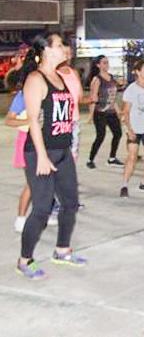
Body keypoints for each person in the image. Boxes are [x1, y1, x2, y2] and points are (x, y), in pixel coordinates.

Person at [17, 34, 84, 280]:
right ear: (45, 50)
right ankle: (24, 260)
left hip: (63, 150)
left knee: (70, 204)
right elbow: (33, 120)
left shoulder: (61, 76)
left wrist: (68, 149)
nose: (65, 49)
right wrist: (43, 157)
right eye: (59, 45)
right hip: (39, 153)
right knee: (42, 209)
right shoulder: (36, 79)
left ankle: (62, 250)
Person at [120, 60, 144, 198]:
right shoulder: (132, 89)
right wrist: (129, 130)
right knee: (132, 157)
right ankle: (124, 184)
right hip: (135, 128)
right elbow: (126, 112)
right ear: (137, 72)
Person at [86, 55, 123, 169]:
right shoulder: (97, 79)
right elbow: (93, 98)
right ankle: (90, 159)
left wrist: (118, 112)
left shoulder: (112, 78)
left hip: (111, 112)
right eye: (104, 63)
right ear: (98, 65)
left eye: (107, 62)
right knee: (100, 136)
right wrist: (91, 115)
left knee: (118, 134)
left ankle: (112, 158)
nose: (106, 65)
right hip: (100, 112)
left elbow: (113, 97)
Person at [7, 87, 33, 233]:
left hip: (45, 139)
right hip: (26, 139)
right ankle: (21, 218)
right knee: (32, 183)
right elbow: (9, 120)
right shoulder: (23, 95)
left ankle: (46, 212)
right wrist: (30, 120)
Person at [57, 45, 83, 160]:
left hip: (74, 119)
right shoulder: (54, 74)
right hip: (59, 120)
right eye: (65, 53)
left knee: (73, 154)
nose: (68, 56)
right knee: (58, 154)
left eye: (70, 53)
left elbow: (79, 97)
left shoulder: (74, 73)